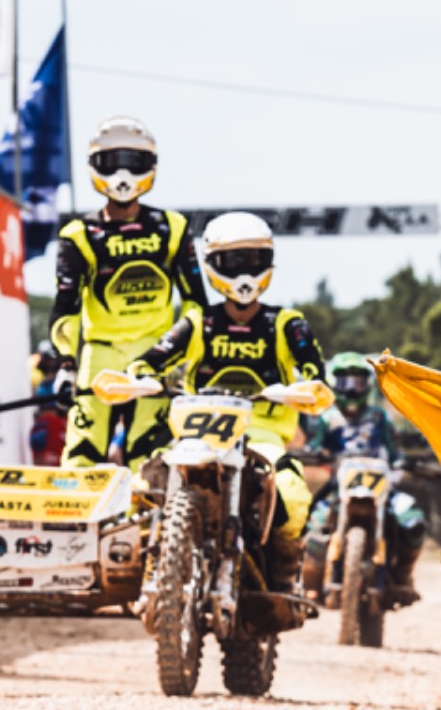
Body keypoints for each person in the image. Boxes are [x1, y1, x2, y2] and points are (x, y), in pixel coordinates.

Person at [130, 212, 325, 589]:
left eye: (254, 260)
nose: (244, 272)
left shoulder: (287, 324)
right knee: (142, 486)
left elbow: (314, 369)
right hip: (196, 434)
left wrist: (312, 386)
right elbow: (151, 359)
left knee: (292, 493)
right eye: (233, 261)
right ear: (213, 265)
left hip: (262, 437)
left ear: (269, 262)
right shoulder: (197, 321)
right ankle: (147, 564)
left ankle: (284, 575)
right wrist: (138, 377)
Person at [48, 118, 204, 469]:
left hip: (156, 358)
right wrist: (66, 364)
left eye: (133, 163)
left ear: (150, 166)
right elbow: (66, 307)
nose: (123, 174)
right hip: (98, 360)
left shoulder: (173, 228)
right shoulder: (78, 234)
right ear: (94, 166)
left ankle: (148, 508)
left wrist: (185, 358)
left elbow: (196, 304)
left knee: (148, 459)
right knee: (82, 455)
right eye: (111, 162)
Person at [303, 353, 426, 604]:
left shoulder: (380, 417)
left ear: (367, 385)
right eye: (344, 382)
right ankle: (310, 583)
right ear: (333, 384)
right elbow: (314, 447)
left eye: (357, 383)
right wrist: (314, 454)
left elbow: (395, 452)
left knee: (413, 521)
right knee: (311, 526)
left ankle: (402, 576)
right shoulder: (327, 418)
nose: (351, 389)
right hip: (339, 491)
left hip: (382, 489)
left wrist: (402, 462)